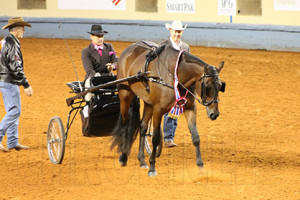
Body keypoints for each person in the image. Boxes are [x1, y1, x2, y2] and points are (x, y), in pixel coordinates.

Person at [0, 17, 33, 152]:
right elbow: (16, 67)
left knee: (12, 110)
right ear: (18, 29)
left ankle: (13, 141)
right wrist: (26, 85)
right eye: (23, 29)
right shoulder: (13, 44)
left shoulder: (5, 41)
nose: (24, 31)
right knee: (15, 111)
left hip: (3, 80)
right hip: (9, 81)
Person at [161, 20, 190, 148]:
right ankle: (168, 137)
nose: (177, 34)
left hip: (180, 84)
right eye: (175, 31)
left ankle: (170, 136)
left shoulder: (185, 47)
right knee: (170, 108)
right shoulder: (163, 45)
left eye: (179, 32)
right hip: (166, 83)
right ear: (170, 31)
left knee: (177, 108)